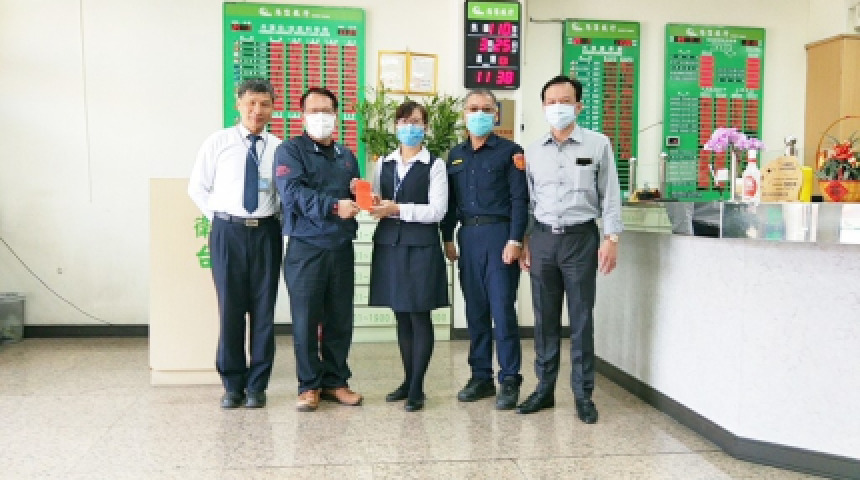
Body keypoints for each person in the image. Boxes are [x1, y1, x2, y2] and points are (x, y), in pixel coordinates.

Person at [518, 75, 623, 423]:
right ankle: (544, 389)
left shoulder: (598, 144)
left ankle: (583, 394)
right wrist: (526, 241)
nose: (558, 107)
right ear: (543, 107)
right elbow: (529, 201)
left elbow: (610, 194)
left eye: (565, 101)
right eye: (551, 102)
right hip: (543, 239)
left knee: (581, 319)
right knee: (544, 320)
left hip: (581, 240)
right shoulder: (532, 151)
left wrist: (611, 238)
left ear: (579, 106)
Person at [188, 78, 283, 409]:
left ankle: (257, 386)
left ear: (273, 108)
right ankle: (232, 385)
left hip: (267, 234)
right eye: (251, 103)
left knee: (264, 312)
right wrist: (221, 219)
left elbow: (283, 194)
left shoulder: (279, 148)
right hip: (228, 233)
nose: (257, 110)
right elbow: (197, 187)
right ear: (238, 105)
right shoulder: (218, 142)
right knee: (230, 309)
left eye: (264, 104)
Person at [274, 87, 363, 412]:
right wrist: (334, 206)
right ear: (302, 116)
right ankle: (309, 385)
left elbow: (354, 196)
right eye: (314, 111)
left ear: (336, 116)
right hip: (306, 248)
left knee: (340, 318)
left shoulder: (346, 156)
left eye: (327, 111)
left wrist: (360, 194)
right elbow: (293, 193)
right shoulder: (290, 151)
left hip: (340, 247)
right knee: (306, 320)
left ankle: (336, 382)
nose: (321, 117)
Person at [440, 89, 528, 410]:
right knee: (475, 311)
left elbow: (520, 199)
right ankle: (481, 377)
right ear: (464, 114)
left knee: (502, 310)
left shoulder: (511, 152)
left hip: (500, 236)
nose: (479, 114)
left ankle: (510, 378)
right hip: (468, 237)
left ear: (496, 115)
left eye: (486, 109)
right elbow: (450, 202)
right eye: (473, 108)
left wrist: (516, 239)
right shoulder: (455, 155)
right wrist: (447, 237)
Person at [368, 101, 449, 412]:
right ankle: (407, 380)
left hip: (421, 247)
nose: (409, 127)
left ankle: (418, 387)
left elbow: (437, 211)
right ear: (395, 126)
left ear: (425, 127)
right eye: (404, 121)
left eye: (416, 122)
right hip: (389, 245)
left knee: (419, 315)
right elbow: (378, 202)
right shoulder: (383, 163)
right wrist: (373, 203)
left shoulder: (434, 165)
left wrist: (397, 209)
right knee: (400, 314)